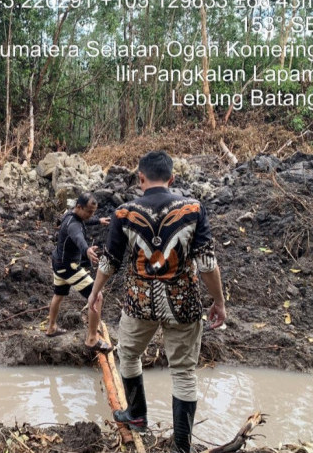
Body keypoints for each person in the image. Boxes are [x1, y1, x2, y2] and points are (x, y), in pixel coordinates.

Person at [86, 151, 226, 453]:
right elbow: (206, 263)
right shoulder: (193, 209)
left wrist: (95, 292)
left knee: (129, 355)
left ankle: (136, 417)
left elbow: (109, 262)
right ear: (172, 179)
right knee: (184, 372)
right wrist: (219, 302)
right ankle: (180, 447)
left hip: (140, 305)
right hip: (184, 304)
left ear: (140, 178)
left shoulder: (124, 213)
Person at [47, 192, 113, 352]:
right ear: (79, 207)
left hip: (58, 263)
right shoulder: (74, 225)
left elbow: (83, 222)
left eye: (94, 212)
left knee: (59, 295)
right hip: (69, 267)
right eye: (89, 212)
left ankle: (51, 328)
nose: (91, 215)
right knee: (97, 296)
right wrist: (86, 250)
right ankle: (91, 339)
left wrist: (98, 221)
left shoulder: (70, 215)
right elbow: (78, 236)